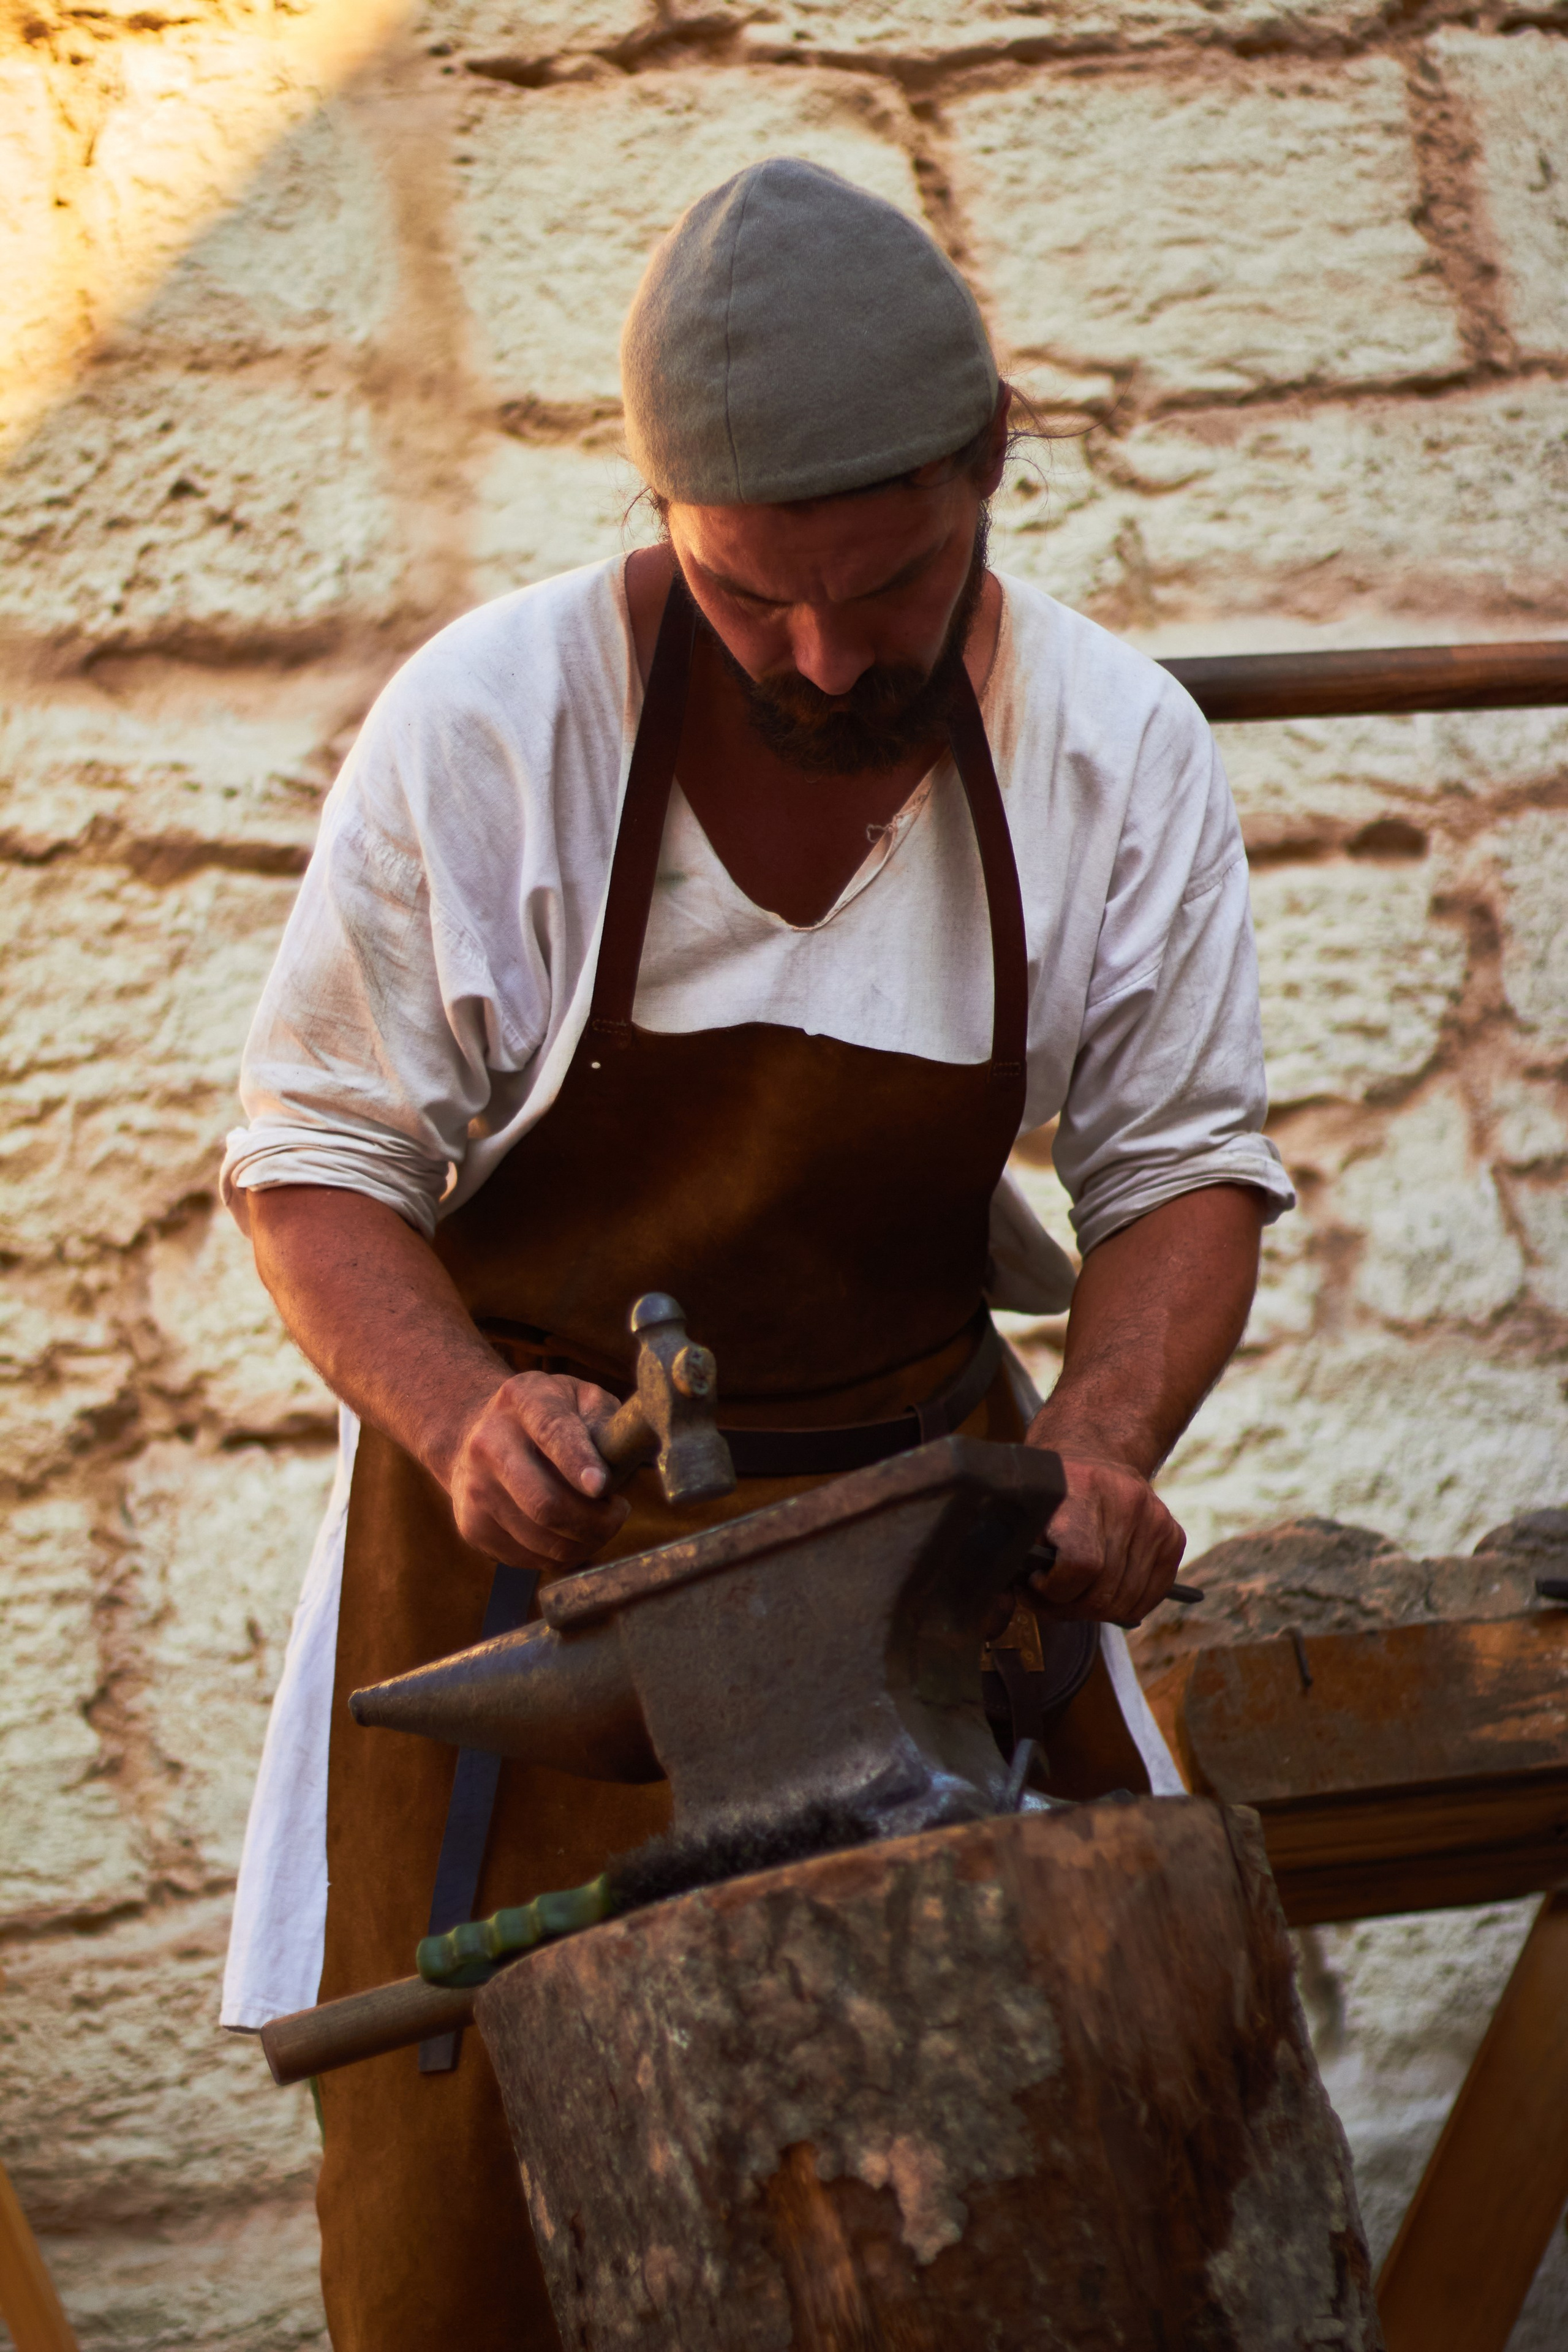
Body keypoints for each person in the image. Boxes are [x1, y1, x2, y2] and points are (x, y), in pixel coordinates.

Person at [219, 158, 1292, 2349]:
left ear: (993, 460)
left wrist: (1097, 1446)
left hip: (938, 1563)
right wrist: (457, 1413)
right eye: (748, 600)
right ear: (669, 523)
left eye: (887, 591)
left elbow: (1182, 1165)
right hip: (540, 1565)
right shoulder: (492, 727)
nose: (820, 657)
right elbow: (313, 1158)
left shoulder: (1111, 749)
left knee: (1093, 2183)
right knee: (469, 2252)